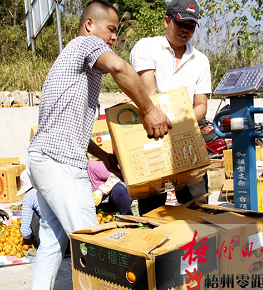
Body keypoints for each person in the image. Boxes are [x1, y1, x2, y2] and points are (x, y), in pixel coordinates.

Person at [25, 1, 171, 288]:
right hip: (60, 163)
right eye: (111, 29)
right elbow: (119, 67)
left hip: (43, 157)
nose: (114, 37)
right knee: (93, 242)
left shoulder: (69, 62)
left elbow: (68, 127)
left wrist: (102, 155)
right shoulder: (85, 45)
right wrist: (149, 109)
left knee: (53, 241)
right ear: (90, 24)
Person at [129, 0, 212, 215]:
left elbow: (201, 105)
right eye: (180, 23)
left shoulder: (201, 61)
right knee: (153, 212)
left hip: (188, 141)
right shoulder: (147, 47)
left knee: (198, 208)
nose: (185, 30)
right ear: (167, 20)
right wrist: (167, 123)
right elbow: (149, 95)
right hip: (152, 139)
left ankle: (199, 247)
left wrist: (181, 125)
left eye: (191, 26)